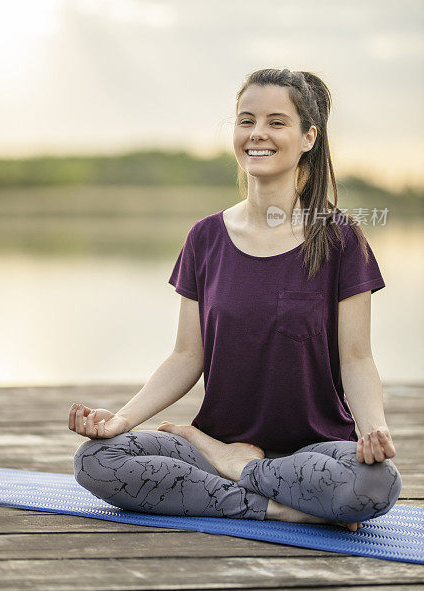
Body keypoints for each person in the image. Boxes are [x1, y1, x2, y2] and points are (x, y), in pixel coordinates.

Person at [70, 68, 402, 532]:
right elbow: (186, 356)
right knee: (96, 460)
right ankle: (281, 508)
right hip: (215, 440)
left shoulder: (342, 238)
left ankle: (240, 470)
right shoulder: (205, 237)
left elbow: (357, 358)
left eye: (276, 122)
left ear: (309, 136)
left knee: (376, 483)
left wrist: (373, 430)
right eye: (246, 121)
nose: (257, 134)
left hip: (316, 450)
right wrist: (121, 421)